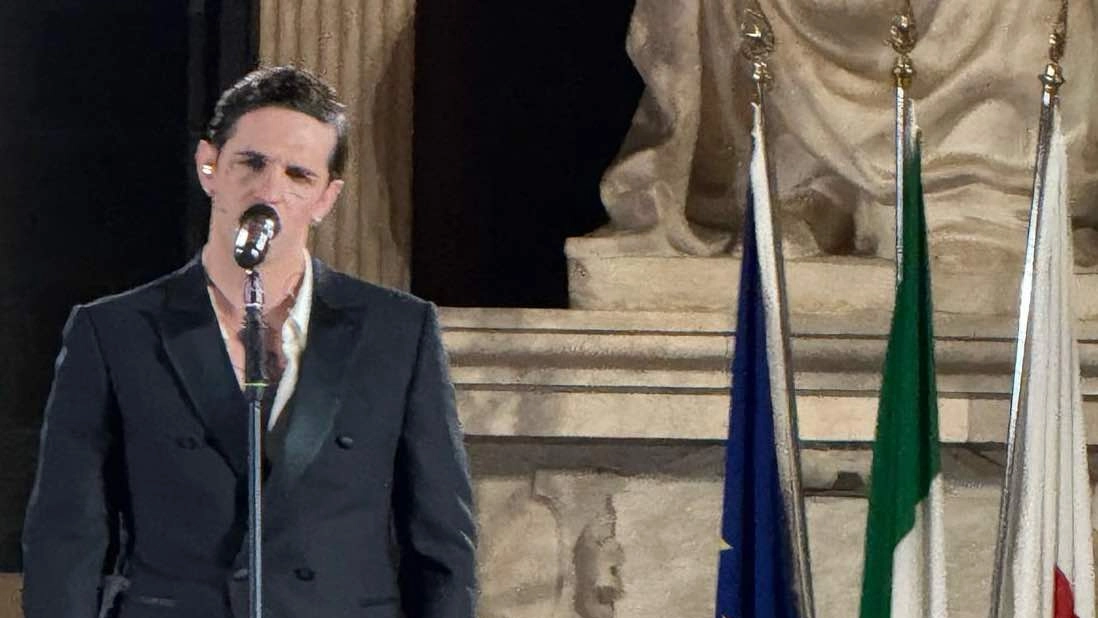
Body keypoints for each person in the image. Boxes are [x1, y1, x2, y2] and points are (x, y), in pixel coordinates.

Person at [21, 65, 477, 618]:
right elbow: (65, 539)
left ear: (326, 198)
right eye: (252, 163)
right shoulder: (113, 332)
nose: (270, 190)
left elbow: (442, 545)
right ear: (208, 166)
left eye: (298, 175)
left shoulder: (399, 332)